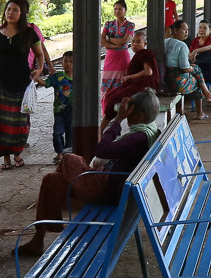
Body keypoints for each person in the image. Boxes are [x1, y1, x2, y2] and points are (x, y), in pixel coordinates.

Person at [20, 90, 162, 256]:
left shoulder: (139, 138)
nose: (127, 115)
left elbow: (102, 150)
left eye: (130, 111)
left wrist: (118, 120)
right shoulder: (150, 130)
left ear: (139, 114)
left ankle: (54, 225)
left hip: (105, 189)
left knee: (68, 159)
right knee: (52, 180)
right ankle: (38, 239)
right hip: (114, 184)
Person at [0, 0, 50, 170]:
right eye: (8, 9)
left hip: (22, 82)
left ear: (21, 13)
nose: (10, 13)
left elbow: (39, 54)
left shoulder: (29, 33)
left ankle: (18, 153)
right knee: (1, 121)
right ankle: (5, 158)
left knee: (20, 120)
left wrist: (38, 70)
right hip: (0, 83)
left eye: (15, 10)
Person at [164, 19, 211, 119]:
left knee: (196, 71)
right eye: (184, 30)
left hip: (164, 78)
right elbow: (185, 68)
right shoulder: (182, 45)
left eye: (187, 30)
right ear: (176, 31)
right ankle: (201, 111)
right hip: (176, 82)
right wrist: (190, 68)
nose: (187, 32)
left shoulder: (165, 41)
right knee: (197, 81)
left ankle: (206, 95)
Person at [102, 30, 159, 116]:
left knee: (114, 98)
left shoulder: (146, 53)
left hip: (143, 86)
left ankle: (107, 121)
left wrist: (130, 77)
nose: (135, 44)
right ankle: (108, 121)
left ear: (145, 43)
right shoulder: (138, 55)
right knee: (110, 95)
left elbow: (148, 72)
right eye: (133, 41)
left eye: (138, 42)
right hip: (135, 84)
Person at [100, 0, 135, 106]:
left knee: (121, 82)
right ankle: (107, 108)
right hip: (110, 57)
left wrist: (109, 39)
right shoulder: (108, 24)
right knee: (107, 83)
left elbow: (125, 40)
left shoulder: (130, 25)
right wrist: (115, 44)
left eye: (120, 9)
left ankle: (121, 108)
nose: (117, 11)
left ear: (125, 10)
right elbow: (101, 40)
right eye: (115, 9)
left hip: (122, 57)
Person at [43, 51, 75, 159]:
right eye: (65, 61)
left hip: (74, 111)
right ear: (61, 63)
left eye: (71, 62)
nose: (68, 64)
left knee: (70, 134)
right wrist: (35, 77)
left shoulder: (80, 78)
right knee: (57, 132)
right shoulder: (58, 77)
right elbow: (45, 83)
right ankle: (59, 152)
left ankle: (67, 154)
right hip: (59, 111)